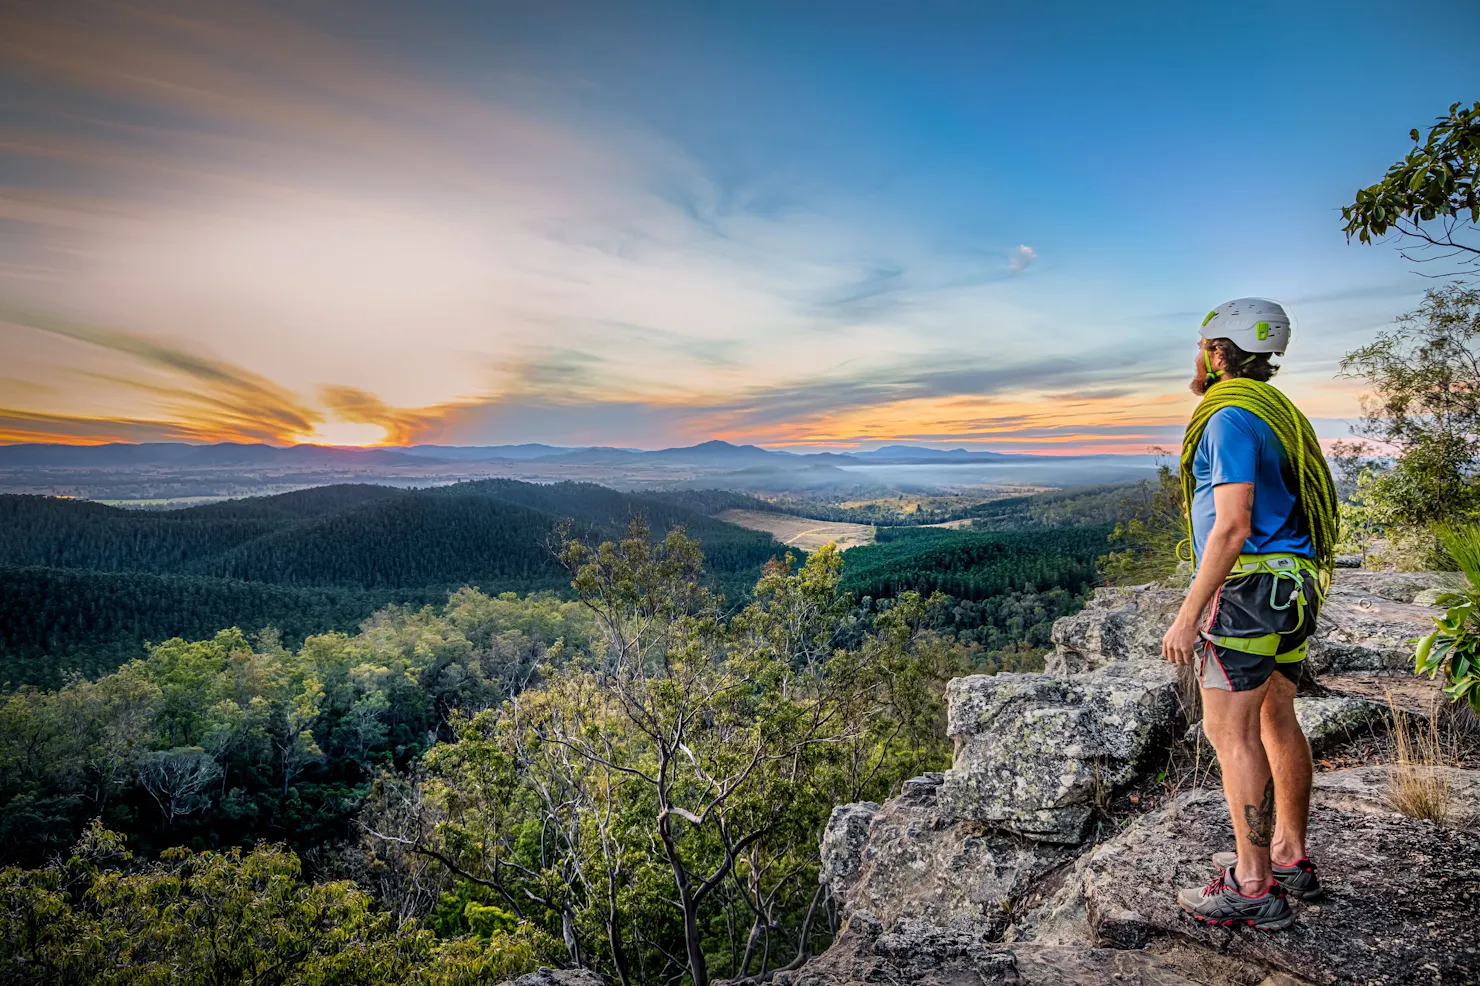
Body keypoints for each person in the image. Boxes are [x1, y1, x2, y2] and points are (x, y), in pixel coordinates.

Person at [1161, 298, 1340, 931]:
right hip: (1292, 588)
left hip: (1246, 594)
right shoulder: (1278, 414)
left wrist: (1188, 613)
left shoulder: (1230, 418)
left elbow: (1232, 525)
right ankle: (1288, 854)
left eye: (1201, 347)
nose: (1196, 358)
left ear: (1217, 353)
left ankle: (1253, 884)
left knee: (1228, 733)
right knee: (1276, 716)